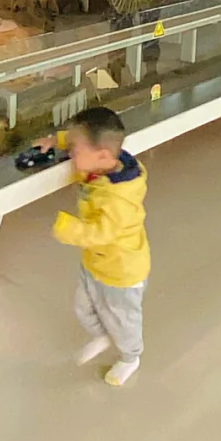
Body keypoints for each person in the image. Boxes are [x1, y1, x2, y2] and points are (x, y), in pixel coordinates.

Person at [42, 106, 149, 387]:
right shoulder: (102, 164)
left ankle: (131, 357)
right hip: (94, 262)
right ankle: (101, 336)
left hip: (121, 272)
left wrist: (67, 228)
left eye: (74, 149)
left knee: (123, 319)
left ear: (101, 156)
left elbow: (101, 234)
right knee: (84, 306)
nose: (71, 154)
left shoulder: (119, 199)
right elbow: (83, 140)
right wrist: (56, 141)